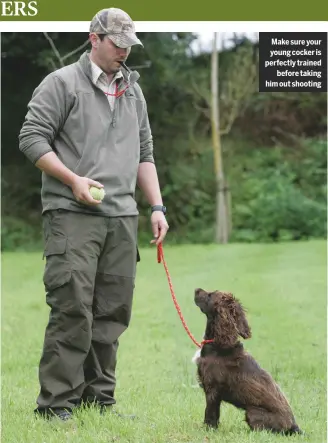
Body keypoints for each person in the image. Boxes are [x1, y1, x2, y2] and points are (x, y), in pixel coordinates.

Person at [18, 7, 169, 421]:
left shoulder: (133, 91)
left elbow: (145, 153)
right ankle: (55, 405)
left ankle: (99, 400)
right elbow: (31, 139)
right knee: (72, 307)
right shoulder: (61, 83)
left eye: (129, 45)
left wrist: (156, 206)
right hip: (71, 213)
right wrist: (73, 180)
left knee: (112, 312)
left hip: (122, 217)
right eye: (117, 44)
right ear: (94, 39)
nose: (124, 52)